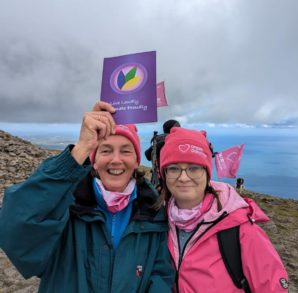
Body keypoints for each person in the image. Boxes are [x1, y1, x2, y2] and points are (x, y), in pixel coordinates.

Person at [0, 101, 175, 293]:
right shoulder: (66, 206)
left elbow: (161, 275)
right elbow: (15, 227)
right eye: (106, 150)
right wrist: (80, 149)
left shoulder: (153, 211)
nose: (116, 160)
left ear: (136, 161)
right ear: (94, 161)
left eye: (125, 151)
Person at [159, 127, 289, 293]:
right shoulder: (159, 221)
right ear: (164, 173)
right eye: (174, 168)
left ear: (207, 173)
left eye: (194, 168)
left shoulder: (240, 229)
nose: (183, 177)